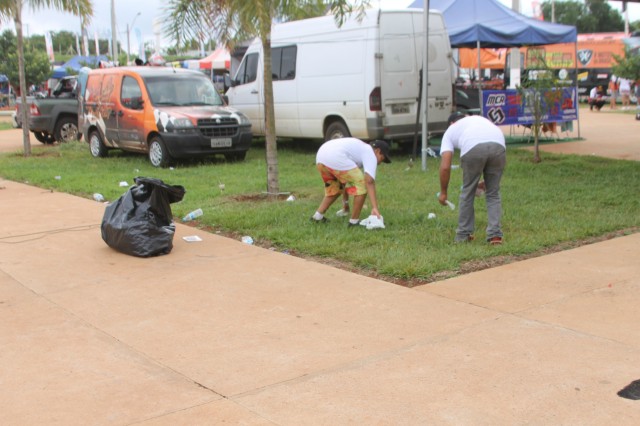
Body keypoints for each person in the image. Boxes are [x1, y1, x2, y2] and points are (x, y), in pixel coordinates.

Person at [438, 112, 506, 245]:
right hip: (499, 144)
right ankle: (495, 235)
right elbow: (494, 153)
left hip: (473, 147)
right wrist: (487, 182)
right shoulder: (478, 120)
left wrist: (443, 192)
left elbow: (445, 167)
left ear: (452, 123)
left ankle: (463, 234)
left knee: (467, 192)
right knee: (493, 193)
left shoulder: (450, 131)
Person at [311, 138, 391, 226]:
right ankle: (354, 222)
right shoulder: (370, 152)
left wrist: (345, 204)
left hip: (321, 157)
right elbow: (369, 181)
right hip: (335, 156)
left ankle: (317, 217)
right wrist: (375, 208)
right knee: (362, 184)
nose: (380, 163)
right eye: (382, 158)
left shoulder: (358, 150)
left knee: (335, 188)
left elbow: (347, 181)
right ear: (377, 151)